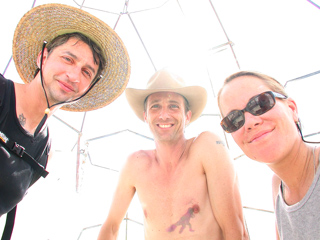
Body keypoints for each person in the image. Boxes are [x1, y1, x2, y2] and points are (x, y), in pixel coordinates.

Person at [0, 3, 130, 239]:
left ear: (89, 87)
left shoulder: (43, 152)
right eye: (68, 59)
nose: (73, 75)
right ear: (43, 56)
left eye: (86, 72)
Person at [98, 69, 248, 240]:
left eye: (173, 106)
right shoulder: (136, 164)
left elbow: (235, 230)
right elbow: (110, 227)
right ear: (146, 116)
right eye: (155, 106)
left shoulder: (207, 146)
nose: (164, 115)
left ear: (188, 116)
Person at [217, 71, 320, 240]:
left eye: (260, 104)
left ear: (292, 109)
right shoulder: (278, 186)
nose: (250, 122)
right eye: (234, 120)